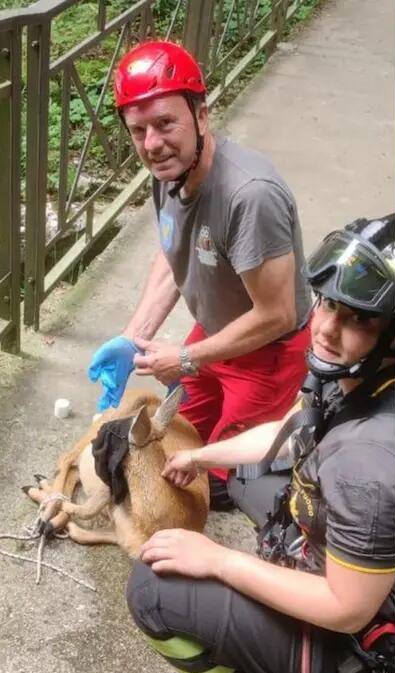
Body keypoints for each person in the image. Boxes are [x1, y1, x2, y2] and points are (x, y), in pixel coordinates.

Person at [124, 214, 395, 673]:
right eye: (328, 304)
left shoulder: (365, 465)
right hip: (346, 549)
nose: (327, 329)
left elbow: (345, 607)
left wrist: (220, 561)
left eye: (359, 320)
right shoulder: (357, 376)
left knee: (151, 589)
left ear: (392, 339)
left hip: (348, 630)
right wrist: (198, 456)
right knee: (244, 478)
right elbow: (291, 431)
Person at [89, 40, 311, 510]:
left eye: (166, 123)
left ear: (201, 117)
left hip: (266, 352)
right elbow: (175, 251)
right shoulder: (168, 168)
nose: (151, 143)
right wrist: (134, 337)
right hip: (213, 333)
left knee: (217, 482)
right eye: (138, 130)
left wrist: (186, 358)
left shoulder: (249, 196)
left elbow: (277, 314)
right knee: (165, 445)